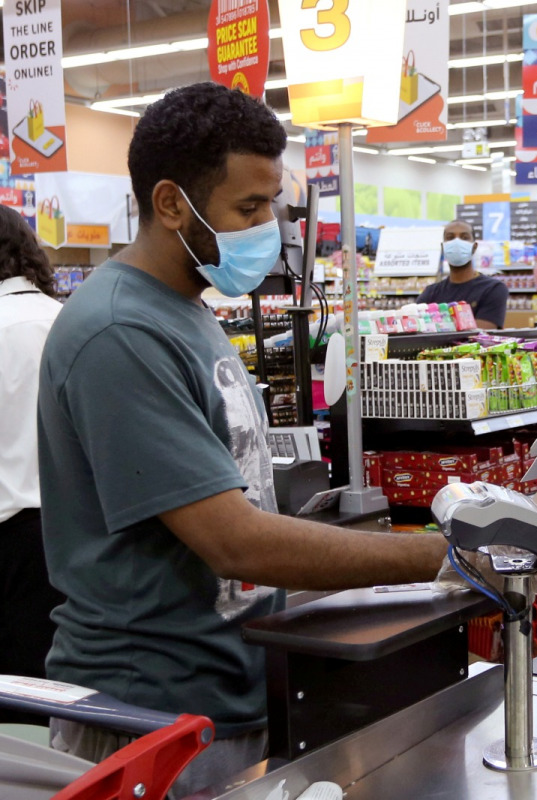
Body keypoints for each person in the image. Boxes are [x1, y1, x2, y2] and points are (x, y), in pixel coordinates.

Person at [36, 83, 465, 797]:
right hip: (150, 718)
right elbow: (235, 542)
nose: (270, 227)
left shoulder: (187, 309)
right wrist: (439, 555)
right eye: (248, 208)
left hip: (220, 694)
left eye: (273, 205)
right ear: (171, 203)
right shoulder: (120, 330)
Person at [0, 206, 64, 725]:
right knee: (62, 696)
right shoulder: (72, 321)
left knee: (14, 709)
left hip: (9, 542)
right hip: (81, 534)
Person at [416, 220, 508, 329]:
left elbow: (480, 337)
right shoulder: (430, 293)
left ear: (474, 247)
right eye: (450, 237)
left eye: (464, 237)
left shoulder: (493, 289)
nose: (457, 243)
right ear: (443, 247)